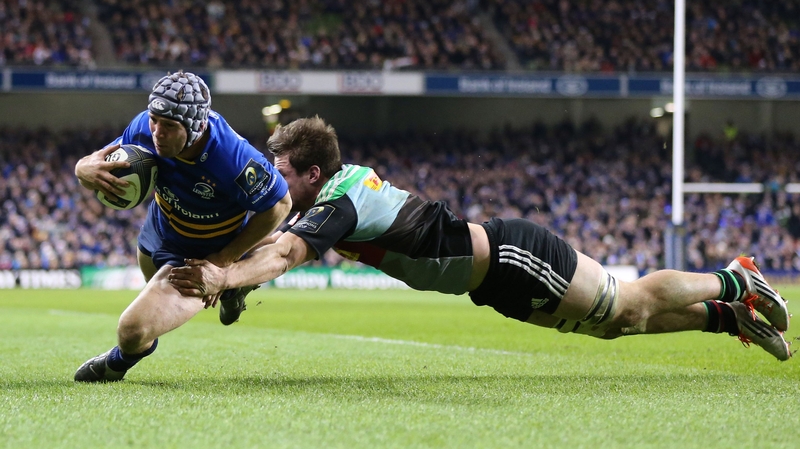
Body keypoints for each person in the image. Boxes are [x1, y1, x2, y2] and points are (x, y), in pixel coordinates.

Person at [168, 116, 792, 361]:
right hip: (491, 286)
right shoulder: (330, 199)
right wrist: (236, 276)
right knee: (614, 327)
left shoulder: (340, 200)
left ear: (311, 173)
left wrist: (226, 276)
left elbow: (283, 252)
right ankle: (723, 317)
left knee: (625, 303)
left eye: (280, 173)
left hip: (512, 255)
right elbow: (277, 239)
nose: (269, 186)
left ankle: (735, 275)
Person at [72, 71, 292, 382]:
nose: (157, 132)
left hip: (201, 255)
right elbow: (104, 159)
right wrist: (83, 167)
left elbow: (281, 205)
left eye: (169, 126)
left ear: (196, 127)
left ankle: (117, 363)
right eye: (154, 120)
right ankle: (233, 290)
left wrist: (223, 261)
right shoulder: (144, 127)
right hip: (159, 230)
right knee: (149, 301)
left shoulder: (233, 158)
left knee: (132, 331)